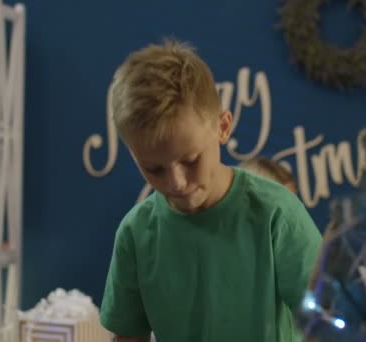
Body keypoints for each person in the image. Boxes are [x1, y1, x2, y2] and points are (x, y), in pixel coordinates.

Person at [100, 38, 323, 342]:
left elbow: (326, 325)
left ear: (222, 126)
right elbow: (128, 336)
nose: (176, 182)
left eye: (190, 160)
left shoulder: (277, 215)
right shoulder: (135, 233)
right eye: (154, 169)